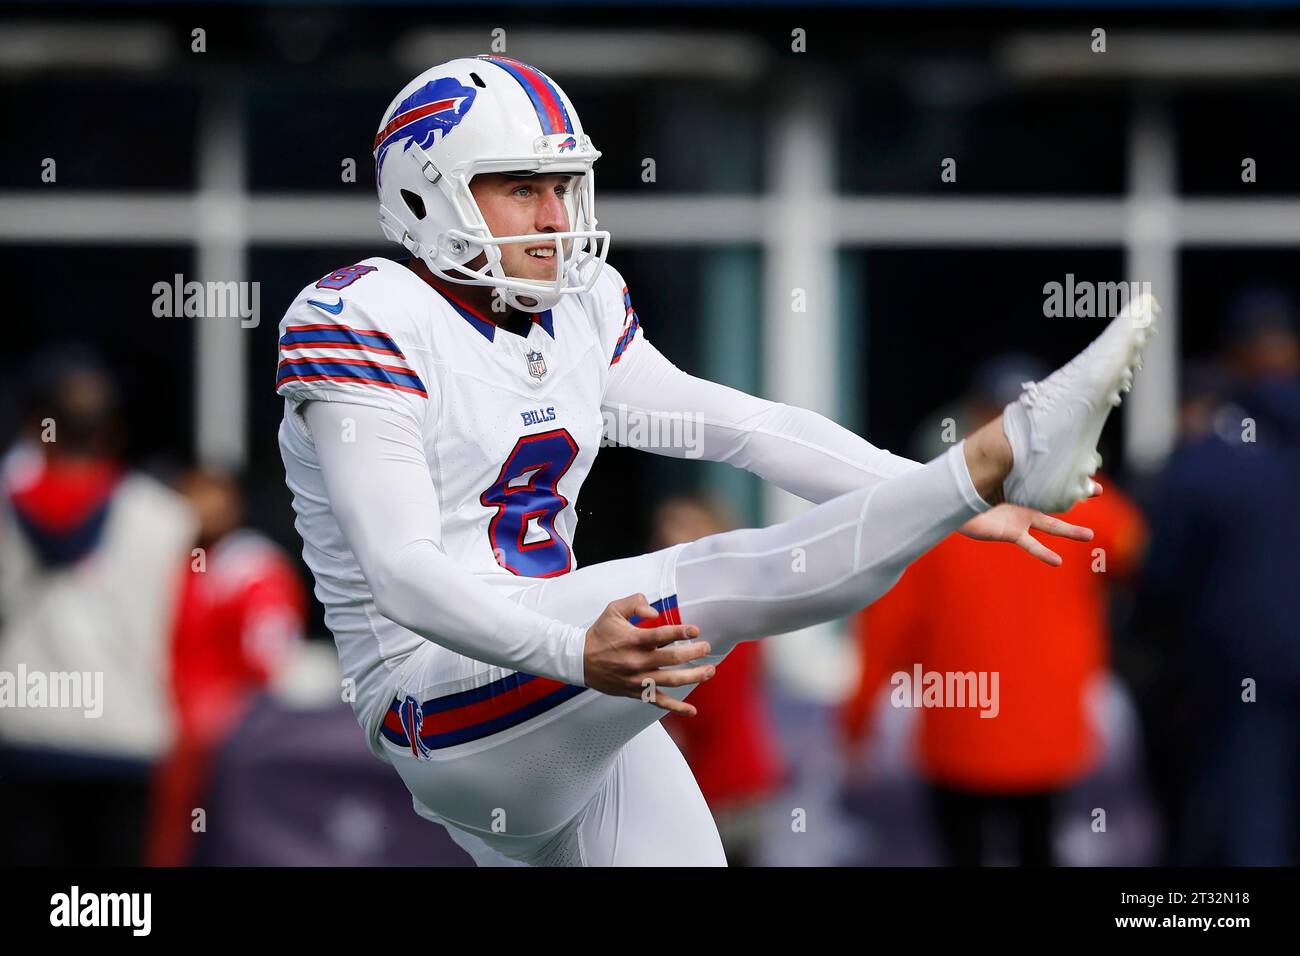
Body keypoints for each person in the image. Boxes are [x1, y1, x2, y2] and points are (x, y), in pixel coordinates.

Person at [275, 54, 1155, 866]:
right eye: (519, 188)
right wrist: (573, 649)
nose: (554, 218)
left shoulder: (578, 308)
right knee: (698, 587)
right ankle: (1006, 451)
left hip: (565, 689)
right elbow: (401, 574)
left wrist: (929, 496)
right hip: (437, 697)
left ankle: (979, 480)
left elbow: (745, 428)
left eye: (564, 186)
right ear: (426, 198)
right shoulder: (361, 318)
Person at [840, 358, 1148, 866]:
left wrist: (854, 724)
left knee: (964, 852)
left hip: (960, 730)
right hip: (1047, 731)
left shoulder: (936, 507)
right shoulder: (1082, 498)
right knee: (1039, 848)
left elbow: (886, 628)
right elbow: (1141, 556)